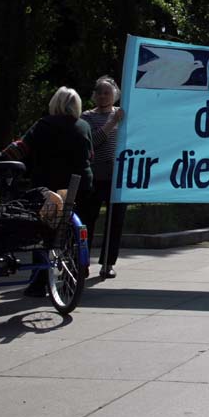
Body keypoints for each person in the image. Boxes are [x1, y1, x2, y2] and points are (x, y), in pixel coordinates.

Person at [0, 86, 95, 296]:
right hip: (80, 186)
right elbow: (90, 155)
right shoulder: (84, 126)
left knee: (42, 231)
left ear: (54, 104)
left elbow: (21, 147)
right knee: (73, 233)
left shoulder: (43, 125)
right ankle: (71, 279)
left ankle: (39, 283)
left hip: (48, 186)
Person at [81, 76, 127, 277]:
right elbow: (92, 142)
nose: (102, 96)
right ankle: (81, 262)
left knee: (114, 221)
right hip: (95, 175)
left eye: (106, 92)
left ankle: (108, 263)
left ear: (115, 95)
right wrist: (110, 124)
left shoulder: (122, 113)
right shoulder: (87, 117)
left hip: (117, 177)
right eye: (99, 92)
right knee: (87, 220)